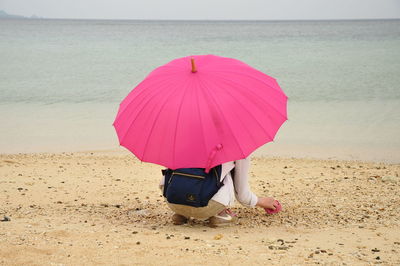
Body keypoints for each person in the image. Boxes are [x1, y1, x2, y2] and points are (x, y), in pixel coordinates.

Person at [159, 156, 280, 227]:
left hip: (173, 201)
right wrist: (260, 201)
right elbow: (242, 195)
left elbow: (163, 182)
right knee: (224, 174)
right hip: (207, 205)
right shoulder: (235, 142)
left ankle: (182, 213)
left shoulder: (182, 133)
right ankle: (220, 213)